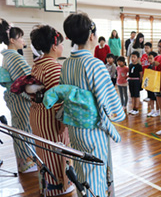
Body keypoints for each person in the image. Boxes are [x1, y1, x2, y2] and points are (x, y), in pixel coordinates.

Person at [61, 13, 126, 197]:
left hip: (75, 128)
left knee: (82, 172)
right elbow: (108, 101)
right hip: (92, 130)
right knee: (95, 177)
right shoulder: (94, 64)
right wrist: (118, 115)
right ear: (91, 36)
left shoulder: (66, 64)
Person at [29, 25, 73, 195]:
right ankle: (59, 186)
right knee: (56, 151)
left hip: (37, 114)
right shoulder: (54, 67)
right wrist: (63, 124)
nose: (63, 47)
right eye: (61, 43)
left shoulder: (38, 64)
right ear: (54, 46)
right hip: (50, 118)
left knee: (43, 151)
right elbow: (58, 100)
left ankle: (47, 185)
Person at [0, 19, 37, 173]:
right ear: (12, 40)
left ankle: (24, 164)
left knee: (20, 130)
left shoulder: (8, 56)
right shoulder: (15, 57)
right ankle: (27, 164)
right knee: (25, 130)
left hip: (14, 100)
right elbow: (28, 81)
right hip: (21, 101)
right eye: (20, 37)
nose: (23, 40)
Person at [147, 51, 159, 117]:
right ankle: (152, 110)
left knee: (156, 98)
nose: (149, 60)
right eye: (148, 58)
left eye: (151, 58)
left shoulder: (157, 67)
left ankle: (157, 111)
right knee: (151, 98)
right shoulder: (149, 66)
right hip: (150, 85)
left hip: (156, 85)